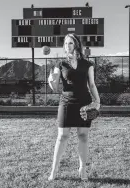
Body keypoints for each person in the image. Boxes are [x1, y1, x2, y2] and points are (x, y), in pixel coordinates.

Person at [47, 33, 101, 181]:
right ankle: (54, 170)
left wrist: (98, 101)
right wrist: (50, 80)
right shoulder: (61, 64)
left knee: (83, 136)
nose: (67, 46)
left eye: (70, 43)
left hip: (84, 102)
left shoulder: (88, 64)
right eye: (65, 44)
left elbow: (92, 84)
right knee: (62, 136)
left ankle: (83, 169)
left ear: (76, 44)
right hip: (66, 102)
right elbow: (55, 87)